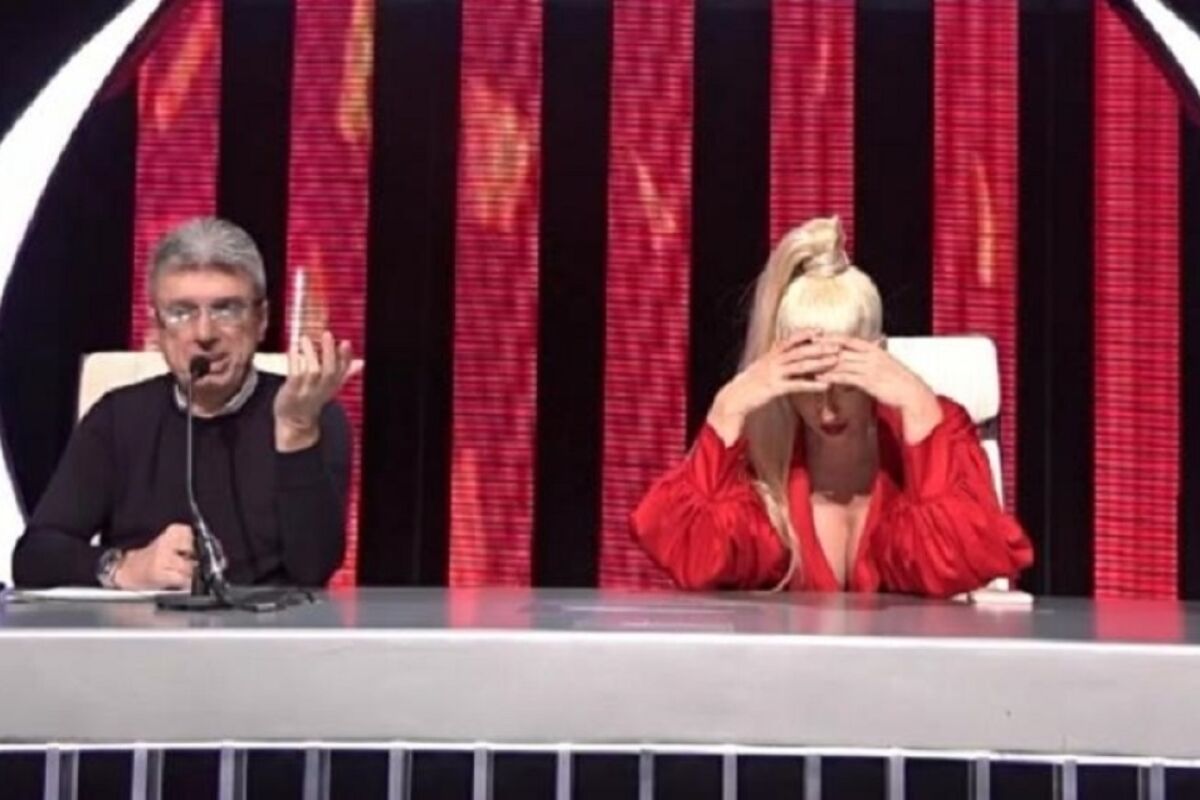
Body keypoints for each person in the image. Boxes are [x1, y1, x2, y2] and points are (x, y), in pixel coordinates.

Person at [631, 216, 1032, 596]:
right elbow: (694, 560)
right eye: (809, 385)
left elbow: (960, 560)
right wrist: (727, 409)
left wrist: (918, 404)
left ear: (876, 360)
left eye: (846, 385)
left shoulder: (933, 427)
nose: (828, 410)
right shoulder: (763, 458)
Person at [12, 217, 358, 589]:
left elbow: (313, 570)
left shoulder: (311, 415)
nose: (204, 334)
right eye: (181, 312)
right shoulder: (117, 419)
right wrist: (124, 567)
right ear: (158, 328)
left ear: (261, 321)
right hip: (146, 624)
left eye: (227, 309)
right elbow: (35, 557)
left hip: (270, 624)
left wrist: (296, 433)